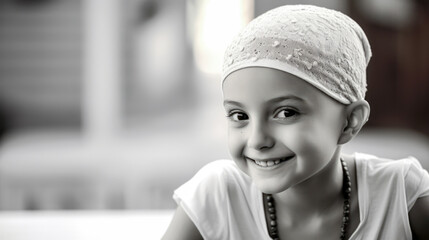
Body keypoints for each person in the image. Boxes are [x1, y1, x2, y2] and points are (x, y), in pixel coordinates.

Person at [162, 5, 429, 240]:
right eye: (240, 116)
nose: (257, 140)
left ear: (350, 121)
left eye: (286, 113)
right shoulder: (217, 197)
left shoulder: (401, 195)